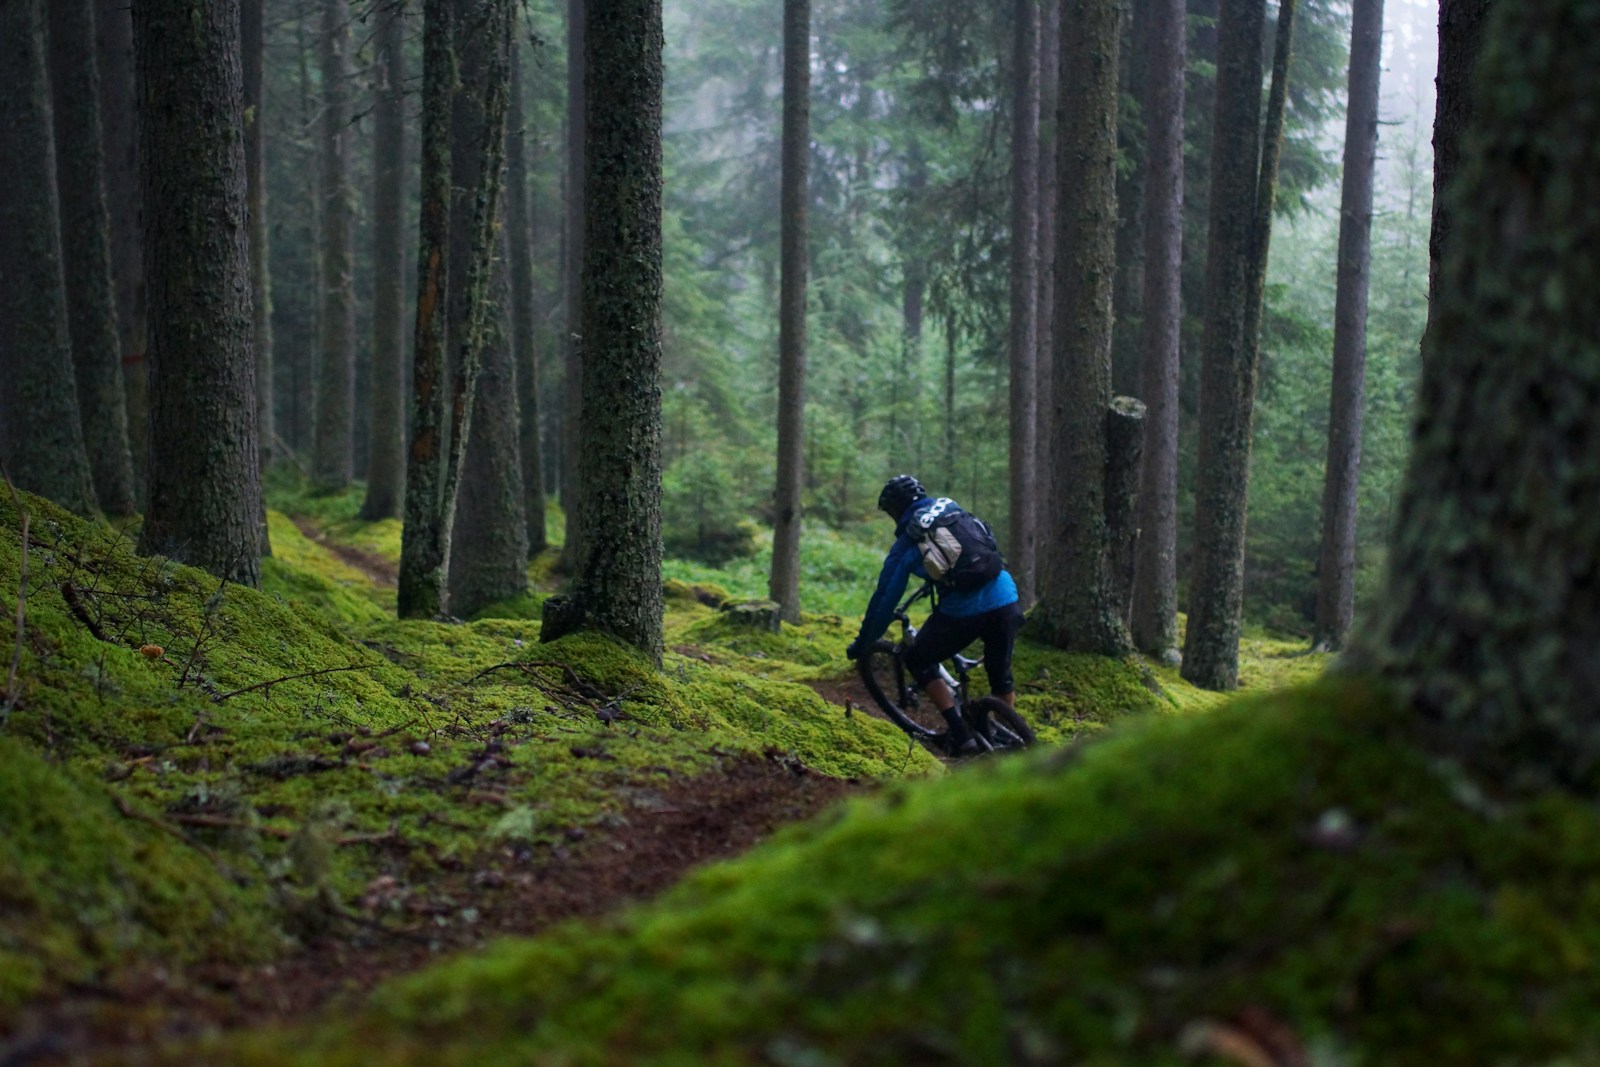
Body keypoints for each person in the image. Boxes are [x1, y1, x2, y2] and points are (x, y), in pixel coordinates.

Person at [845, 474, 1024, 754]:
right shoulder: (952, 508)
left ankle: (961, 734)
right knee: (1000, 676)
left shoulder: (908, 542)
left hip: (965, 611)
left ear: (896, 510)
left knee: (917, 657)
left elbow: (884, 600)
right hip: (1006, 596)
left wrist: (864, 642)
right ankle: (1011, 737)